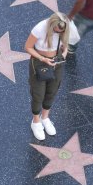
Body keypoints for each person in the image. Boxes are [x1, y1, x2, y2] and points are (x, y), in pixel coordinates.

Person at [25, 12, 70, 141]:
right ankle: (36, 122)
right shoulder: (40, 28)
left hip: (57, 61)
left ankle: (45, 118)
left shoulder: (64, 28)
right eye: (56, 31)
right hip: (40, 62)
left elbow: (65, 44)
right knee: (38, 93)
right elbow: (27, 47)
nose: (58, 33)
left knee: (52, 91)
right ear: (51, 26)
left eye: (61, 31)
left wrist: (64, 53)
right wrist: (42, 59)